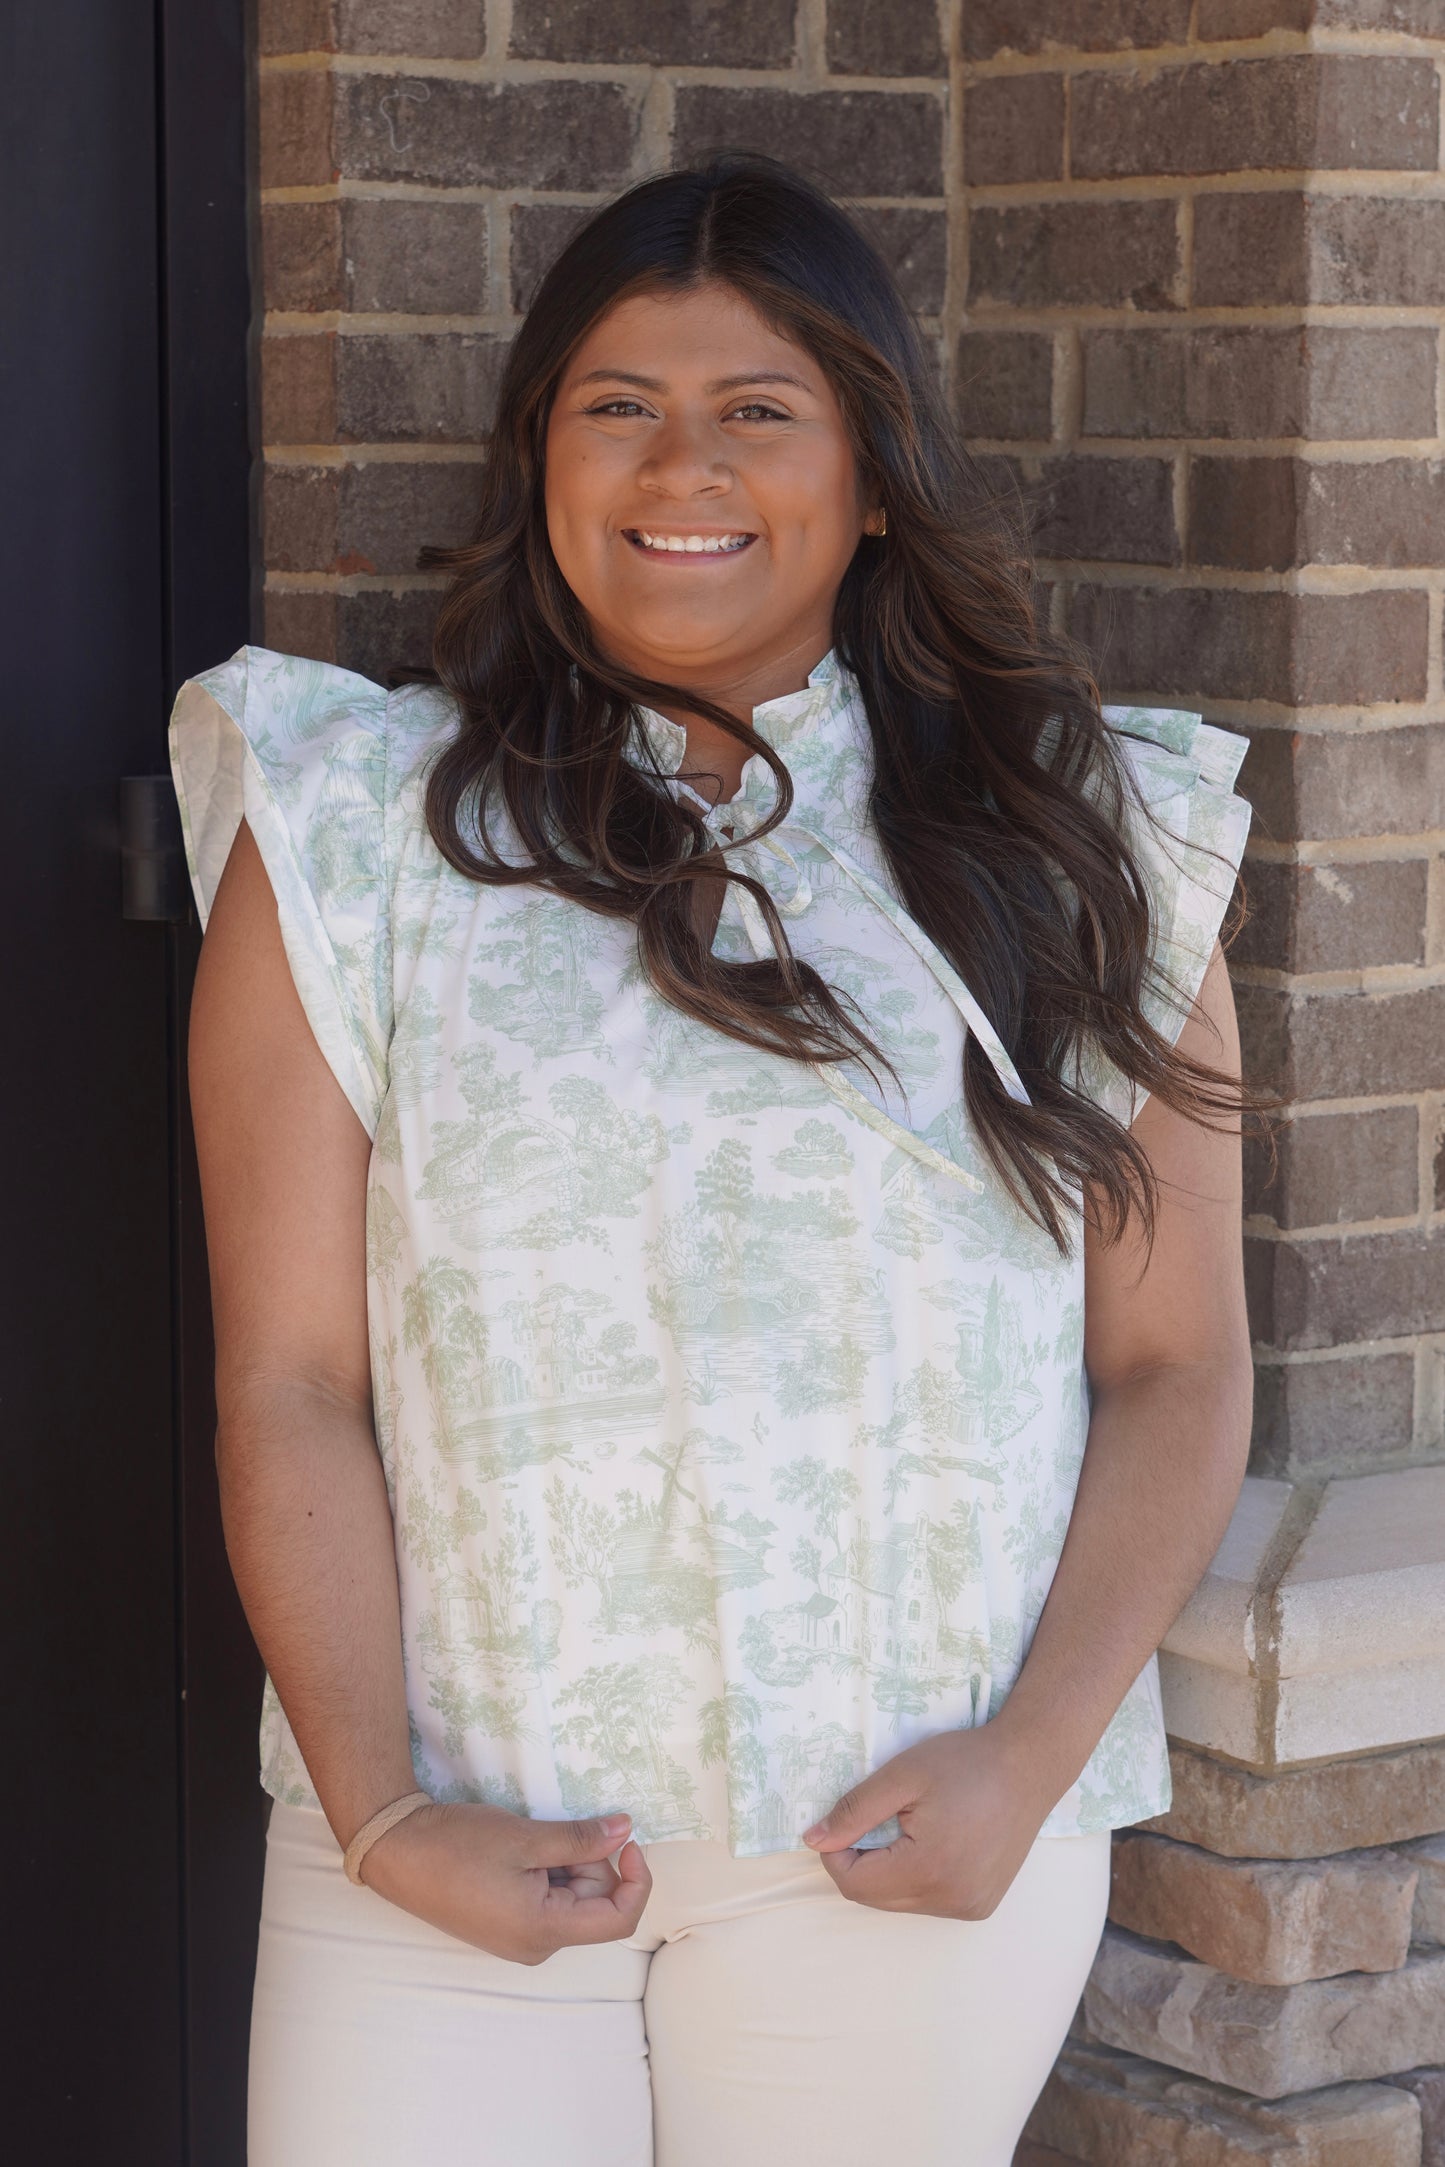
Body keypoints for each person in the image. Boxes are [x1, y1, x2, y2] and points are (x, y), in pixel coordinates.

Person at [171, 154, 1254, 2167]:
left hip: (908, 1846)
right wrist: (386, 1808)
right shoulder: (350, 834)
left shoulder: (1087, 840)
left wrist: (1028, 1760)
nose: (684, 465)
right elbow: (289, 1378)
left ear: (868, 464)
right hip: (447, 1850)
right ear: (543, 456)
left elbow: (1177, 1364)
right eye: (619, 405)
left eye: (759, 408)